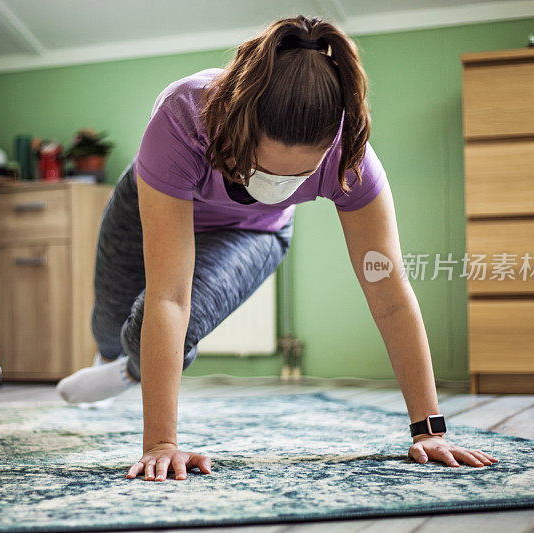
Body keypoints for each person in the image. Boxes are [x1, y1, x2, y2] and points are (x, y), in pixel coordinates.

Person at [57, 15, 499, 482]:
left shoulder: (349, 158)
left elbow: (389, 294)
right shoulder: (183, 117)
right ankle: (117, 360)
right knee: (111, 327)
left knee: (148, 325)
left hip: (252, 233)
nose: (281, 184)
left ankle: (130, 373)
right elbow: (172, 292)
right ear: (238, 124)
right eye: (264, 169)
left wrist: (428, 430)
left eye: (300, 176)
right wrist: (161, 444)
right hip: (150, 203)